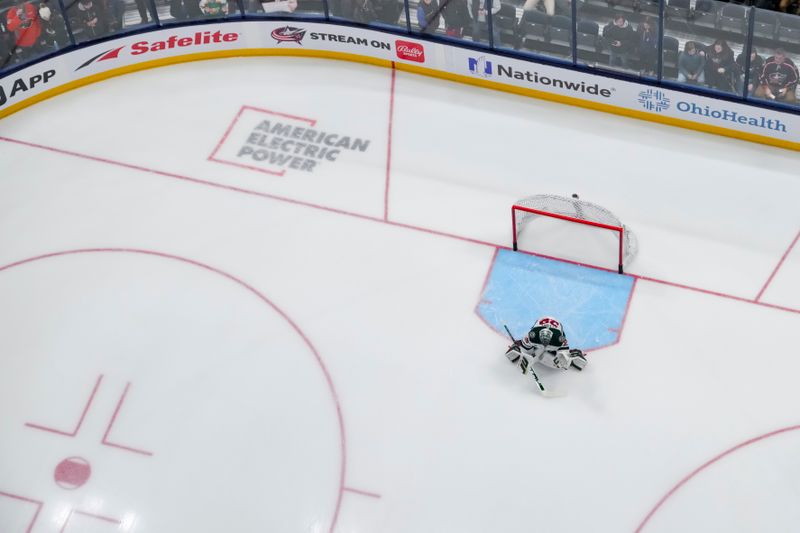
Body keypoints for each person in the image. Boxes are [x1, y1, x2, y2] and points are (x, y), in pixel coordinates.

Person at [505, 317, 587, 372]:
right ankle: (518, 346)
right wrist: (521, 350)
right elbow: (524, 348)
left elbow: (563, 354)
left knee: (560, 361)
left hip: (555, 333)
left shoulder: (559, 339)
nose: (544, 344)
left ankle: (574, 353)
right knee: (527, 349)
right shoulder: (532, 336)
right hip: (540, 329)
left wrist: (565, 356)